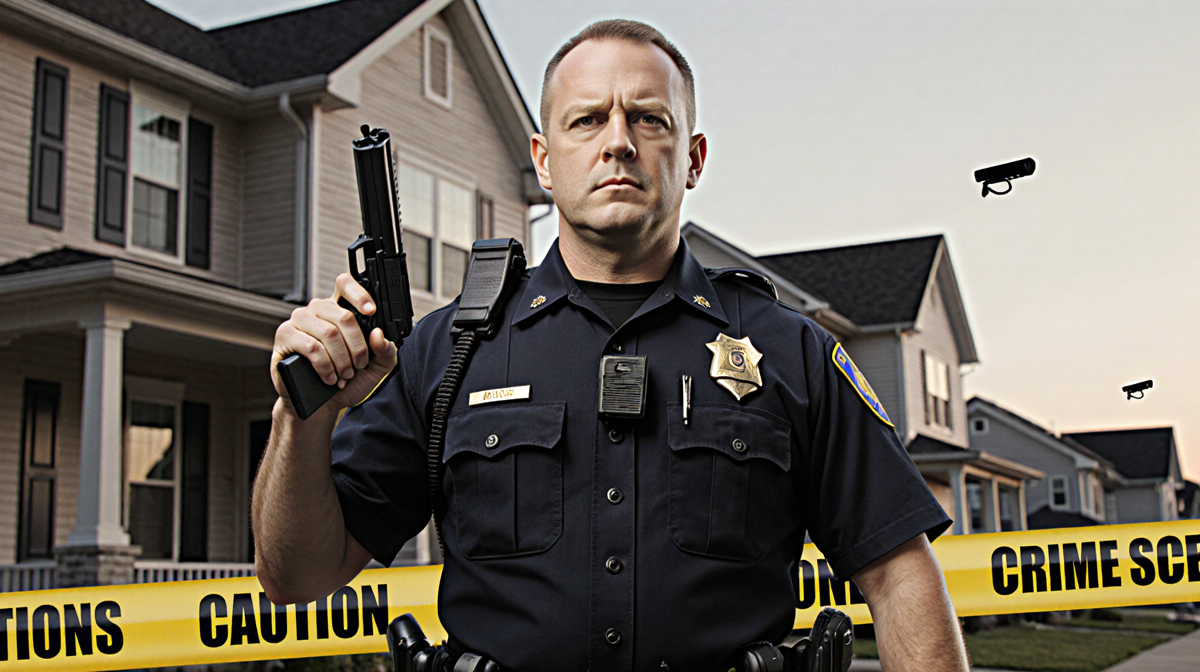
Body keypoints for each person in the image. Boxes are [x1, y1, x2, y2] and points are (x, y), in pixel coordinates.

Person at [254, 19, 971, 672]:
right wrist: (302, 417)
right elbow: (298, 576)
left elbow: (898, 571)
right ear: (543, 158)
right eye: (587, 119)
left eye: (648, 119)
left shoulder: (791, 351)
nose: (618, 140)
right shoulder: (448, 356)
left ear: (692, 158)